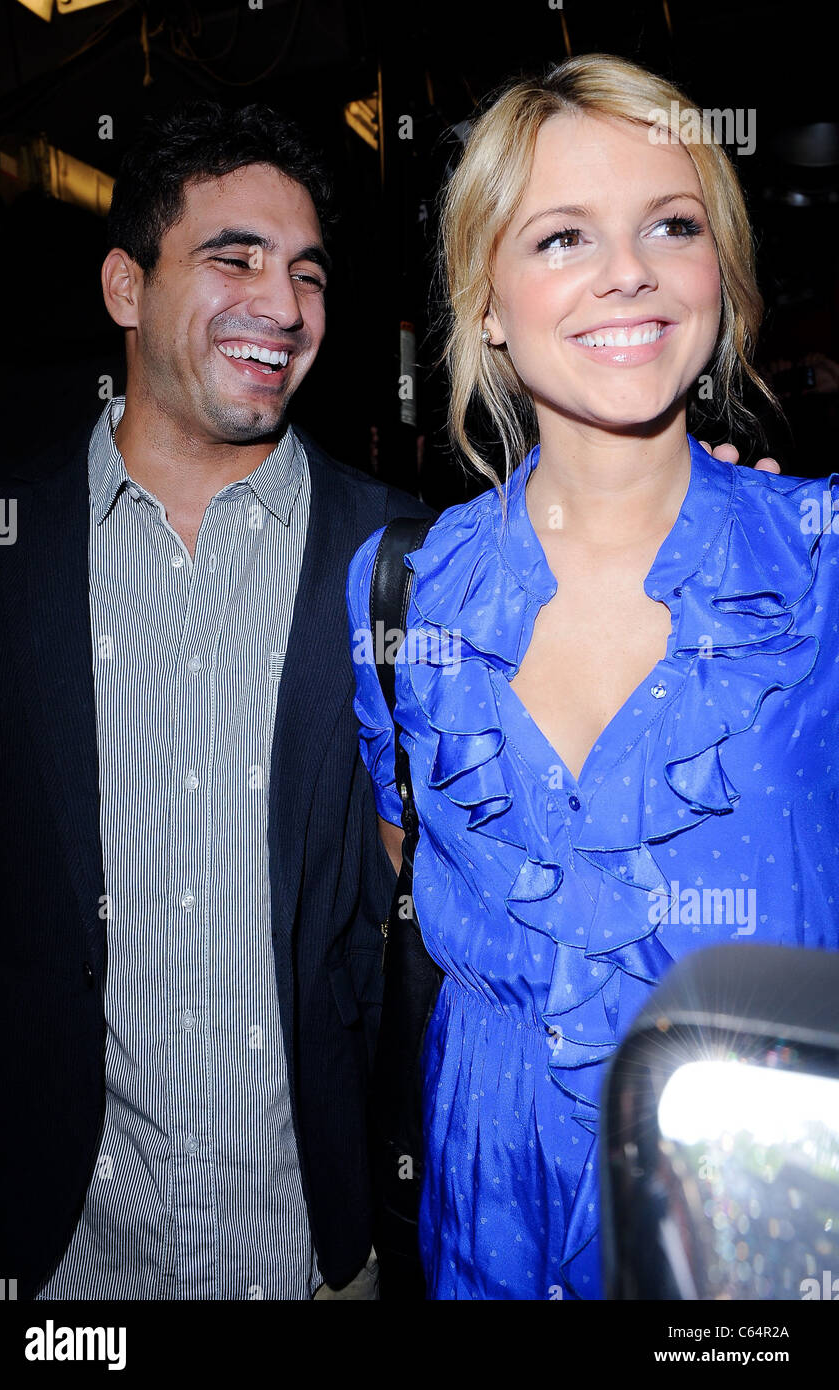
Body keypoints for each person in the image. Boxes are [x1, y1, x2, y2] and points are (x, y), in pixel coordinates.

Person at [346, 53, 839, 1301]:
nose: (630, 269)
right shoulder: (400, 587)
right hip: (485, 1215)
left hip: (761, 1226)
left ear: (718, 277)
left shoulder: (822, 561)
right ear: (489, 302)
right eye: (563, 236)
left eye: (672, 225)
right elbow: (408, 851)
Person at [0, 100, 434, 1300]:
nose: (283, 307)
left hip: (310, 1245)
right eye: (233, 257)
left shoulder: (399, 557)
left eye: (307, 274)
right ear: (126, 288)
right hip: (60, 1263)